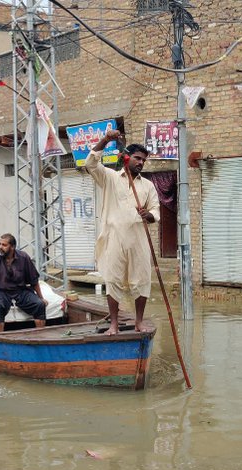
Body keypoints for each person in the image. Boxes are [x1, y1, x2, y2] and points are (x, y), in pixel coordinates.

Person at [85, 128, 160, 335]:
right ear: (127, 158)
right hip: (114, 238)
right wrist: (105, 139)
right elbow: (90, 163)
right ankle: (114, 324)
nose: (141, 163)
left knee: (142, 280)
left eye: (143, 160)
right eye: (137, 158)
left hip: (138, 240)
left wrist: (149, 215)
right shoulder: (109, 177)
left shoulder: (148, 186)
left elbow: (155, 211)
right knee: (113, 280)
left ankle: (138, 322)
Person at [0, 233, 48, 332]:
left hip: (20, 291)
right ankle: (0, 338)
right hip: (1, 291)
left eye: (4, 245)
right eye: (0, 244)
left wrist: (41, 298)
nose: (0, 247)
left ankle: (41, 335)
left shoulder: (24, 257)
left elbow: (33, 280)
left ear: (12, 247)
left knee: (39, 305)